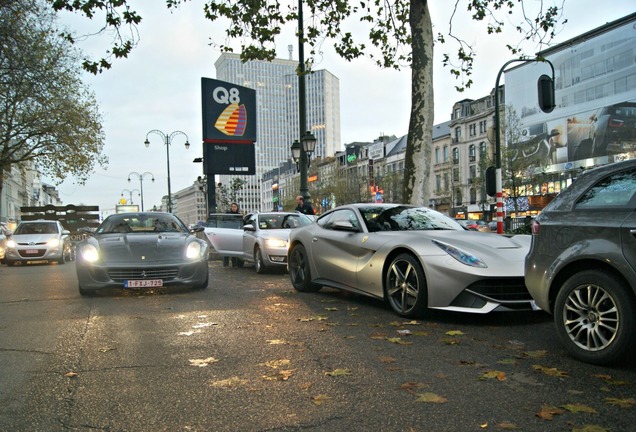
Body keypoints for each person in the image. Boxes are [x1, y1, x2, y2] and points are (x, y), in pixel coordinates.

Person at [223, 202, 241, 267]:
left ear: (237, 208)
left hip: (236, 234)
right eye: (232, 206)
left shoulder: (239, 215)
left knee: (234, 249)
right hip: (227, 233)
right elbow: (224, 222)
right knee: (226, 249)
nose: (233, 208)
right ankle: (226, 264)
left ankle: (234, 264)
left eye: (235, 207)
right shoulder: (227, 214)